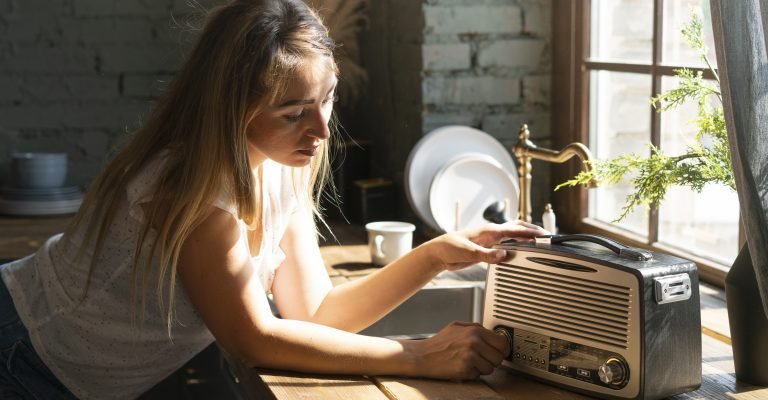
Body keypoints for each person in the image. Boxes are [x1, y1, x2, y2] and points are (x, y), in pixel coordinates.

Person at [0, 0, 547, 398]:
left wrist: (435, 255)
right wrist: (419, 354)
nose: (323, 129)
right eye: (293, 112)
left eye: (326, 99)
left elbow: (315, 313)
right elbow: (255, 340)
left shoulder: (277, 163)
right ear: (232, 109)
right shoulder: (193, 192)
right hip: (24, 354)